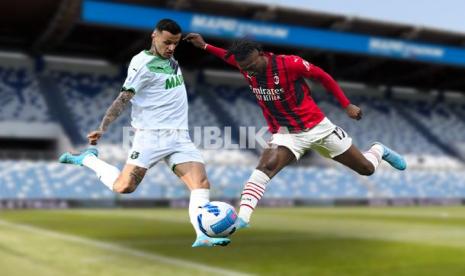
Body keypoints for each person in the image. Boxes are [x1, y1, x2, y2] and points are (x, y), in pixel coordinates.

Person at [184, 33, 407, 229]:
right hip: (286, 133)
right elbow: (226, 55)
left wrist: (346, 104)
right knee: (265, 167)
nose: (249, 71)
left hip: (318, 127)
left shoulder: (289, 64)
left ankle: (378, 149)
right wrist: (204, 46)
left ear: (261, 54)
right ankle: (243, 218)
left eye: (252, 65)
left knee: (366, 169)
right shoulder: (244, 65)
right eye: (245, 69)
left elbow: (323, 76)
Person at [59, 19, 230, 247]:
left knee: (201, 184)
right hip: (151, 137)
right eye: (167, 42)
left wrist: (202, 44)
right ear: (154, 36)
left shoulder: (171, 59)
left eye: (175, 44)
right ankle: (89, 159)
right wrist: (103, 127)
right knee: (124, 187)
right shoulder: (142, 64)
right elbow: (123, 99)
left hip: (180, 137)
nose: (171, 48)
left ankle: (201, 234)